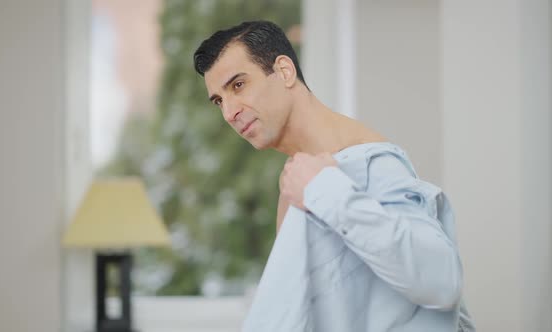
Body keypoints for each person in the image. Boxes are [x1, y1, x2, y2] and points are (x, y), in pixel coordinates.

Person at [194, 20, 475, 332]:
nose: (229, 112)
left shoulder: (370, 162)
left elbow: (442, 282)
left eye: (238, 85)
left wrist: (327, 191)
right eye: (219, 100)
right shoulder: (295, 183)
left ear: (285, 71)